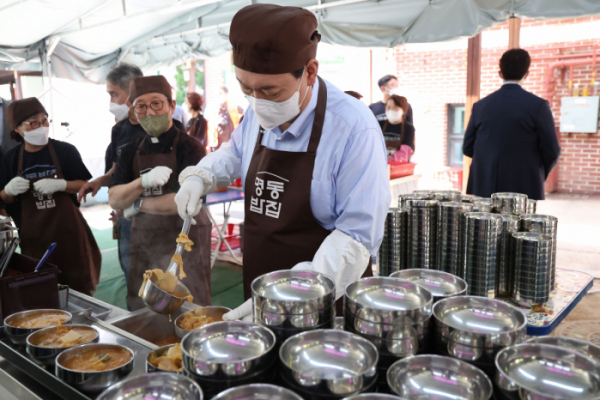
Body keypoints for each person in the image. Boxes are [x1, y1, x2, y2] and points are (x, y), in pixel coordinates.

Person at [174, 4, 391, 321]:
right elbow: (235, 153)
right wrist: (201, 176)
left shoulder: (353, 128)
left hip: (322, 296)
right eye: (246, 88)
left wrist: (293, 294)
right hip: (259, 279)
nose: (257, 102)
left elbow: (356, 237)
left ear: (310, 72)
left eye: (269, 91)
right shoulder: (256, 111)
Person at [108, 75, 211, 310]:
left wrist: (136, 205)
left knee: (189, 304)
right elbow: (115, 198)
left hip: (186, 240)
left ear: (171, 106)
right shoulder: (130, 151)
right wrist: (141, 182)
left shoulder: (191, 147)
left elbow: (181, 201)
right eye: (141, 107)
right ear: (133, 112)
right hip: (143, 240)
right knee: (142, 302)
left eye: (157, 103)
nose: (150, 112)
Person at [0, 98, 101, 295]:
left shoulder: (65, 151)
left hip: (71, 238)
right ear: (18, 129)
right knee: (43, 293)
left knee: (79, 292)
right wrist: (9, 190)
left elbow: (85, 186)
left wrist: (62, 185)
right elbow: (4, 198)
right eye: (33, 123)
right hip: (35, 241)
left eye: (44, 120)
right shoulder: (11, 159)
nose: (42, 126)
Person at [463, 49, 561, 200]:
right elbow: (552, 151)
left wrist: (488, 162)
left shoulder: (480, 106)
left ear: (500, 73)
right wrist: (537, 173)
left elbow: (468, 147)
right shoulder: (538, 106)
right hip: (523, 186)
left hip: (485, 185)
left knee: (485, 224)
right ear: (526, 74)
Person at [78, 63, 144, 283]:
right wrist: (101, 180)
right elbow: (117, 168)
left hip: (157, 214)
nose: (111, 102)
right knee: (132, 273)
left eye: (114, 94)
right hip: (126, 215)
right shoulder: (119, 130)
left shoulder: (159, 127)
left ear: (133, 91)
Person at [207, 86, 244, 150]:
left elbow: (244, 117)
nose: (218, 96)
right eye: (217, 94)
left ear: (226, 94)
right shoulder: (212, 108)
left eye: (220, 93)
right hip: (216, 144)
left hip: (231, 142)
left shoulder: (234, 106)